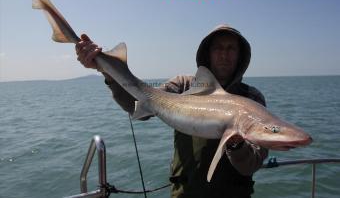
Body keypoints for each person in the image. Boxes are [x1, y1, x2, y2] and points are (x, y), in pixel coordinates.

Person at [75, 25, 268, 198]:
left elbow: (251, 164)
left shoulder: (251, 99)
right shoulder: (183, 86)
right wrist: (106, 71)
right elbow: (137, 102)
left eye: (231, 48)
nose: (224, 55)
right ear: (208, 52)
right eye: (218, 48)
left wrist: (236, 145)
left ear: (240, 54)